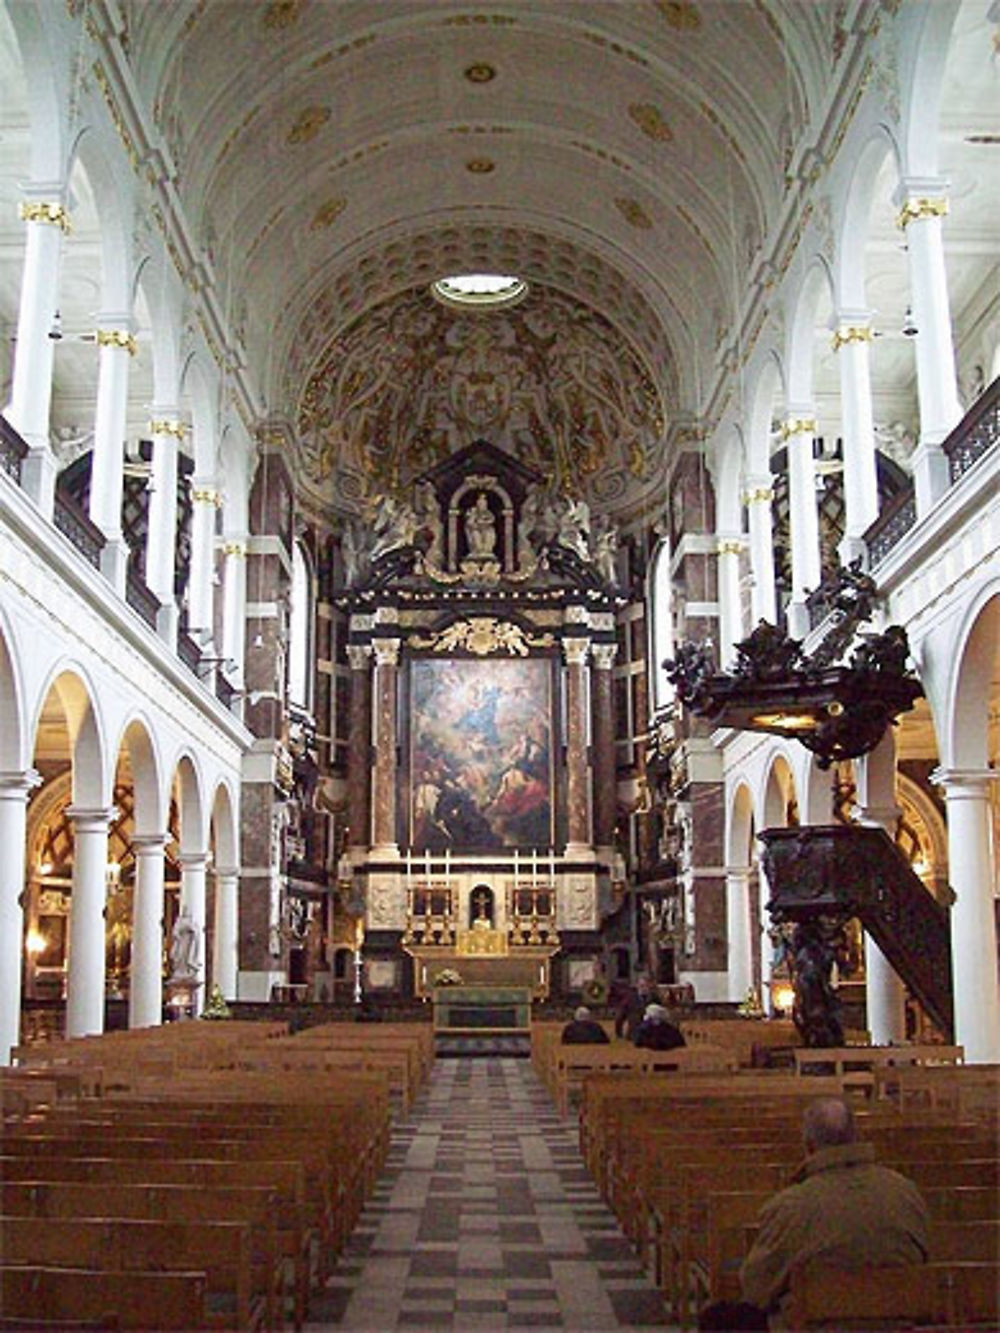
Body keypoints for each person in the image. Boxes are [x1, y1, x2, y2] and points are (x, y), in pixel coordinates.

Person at [700, 1097, 929, 1330]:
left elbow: (756, 1289)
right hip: (898, 1323)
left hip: (818, 1325)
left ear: (808, 1145)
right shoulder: (905, 1192)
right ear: (856, 1137)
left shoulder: (792, 1205)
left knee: (718, 1318)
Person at [614, 973, 654, 1039]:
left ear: (650, 986)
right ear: (637, 985)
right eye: (642, 986)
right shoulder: (629, 999)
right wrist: (619, 1035)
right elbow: (619, 1017)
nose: (644, 989)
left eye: (646, 986)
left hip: (652, 1035)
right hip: (634, 1034)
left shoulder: (655, 998)